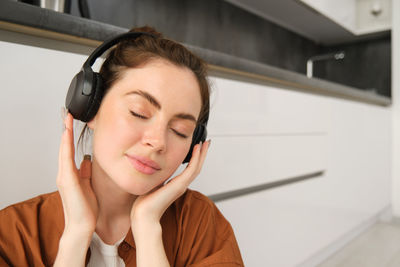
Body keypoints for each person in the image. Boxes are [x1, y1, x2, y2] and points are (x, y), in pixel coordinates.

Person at [0, 26, 244, 266]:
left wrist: (147, 228)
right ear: (91, 108)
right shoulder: (13, 232)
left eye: (180, 131)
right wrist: (76, 234)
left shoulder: (201, 224)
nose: (158, 142)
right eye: (139, 113)